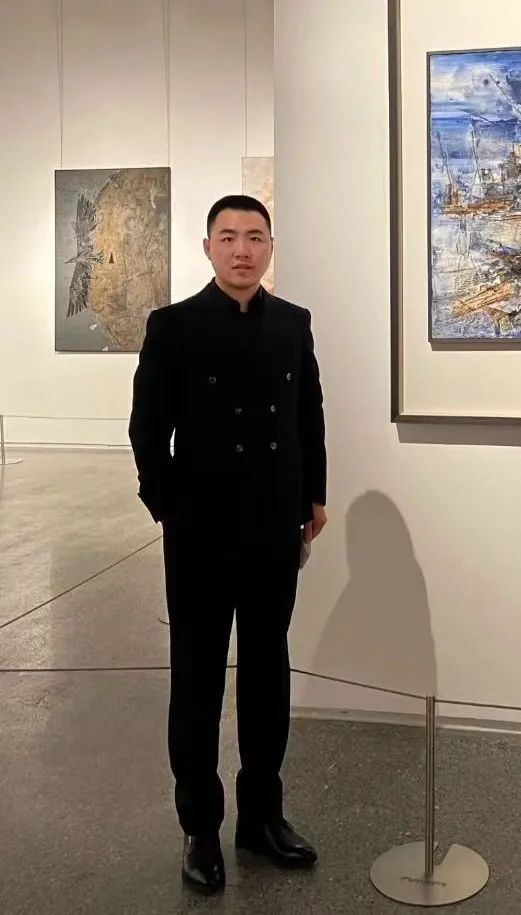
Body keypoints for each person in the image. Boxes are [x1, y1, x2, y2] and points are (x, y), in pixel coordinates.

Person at [128, 194, 327, 894]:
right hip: (201, 532)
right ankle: (200, 827)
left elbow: (308, 415)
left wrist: (313, 496)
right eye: (229, 237)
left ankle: (262, 818)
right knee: (197, 678)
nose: (242, 249)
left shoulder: (293, 323)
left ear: (270, 246)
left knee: (268, 672)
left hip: (273, 527)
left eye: (255, 237)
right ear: (207, 247)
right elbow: (146, 428)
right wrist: (168, 508)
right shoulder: (173, 326)